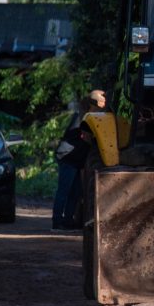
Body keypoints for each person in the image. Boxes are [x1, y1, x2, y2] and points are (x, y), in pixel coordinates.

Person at [52, 89, 106, 230]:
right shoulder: (82, 116)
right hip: (68, 157)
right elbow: (85, 137)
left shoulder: (90, 115)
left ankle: (68, 220)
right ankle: (57, 221)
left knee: (75, 192)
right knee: (64, 191)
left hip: (76, 159)